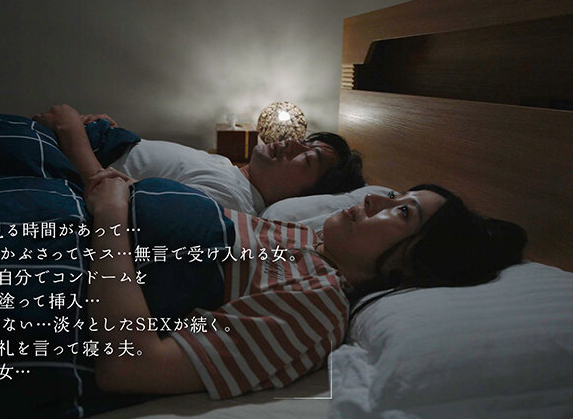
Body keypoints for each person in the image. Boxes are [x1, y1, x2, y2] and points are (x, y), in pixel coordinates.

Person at [36, 105, 527, 399]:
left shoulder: (316, 310)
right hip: (60, 215)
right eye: (394, 195)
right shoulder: (303, 239)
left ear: (407, 265)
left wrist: (110, 216)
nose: (375, 199)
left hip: (53, 263)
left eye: (400, 212)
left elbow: (132, 366)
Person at [44, 105, 365, 214]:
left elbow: (112, 195)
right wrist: (109, 130)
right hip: (90, 140)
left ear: (301, 198)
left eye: (308, 159)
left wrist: (69, 128)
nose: (294, 143)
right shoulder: (229, 171)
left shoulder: (229, 199)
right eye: (305, 142)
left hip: (71, 153)